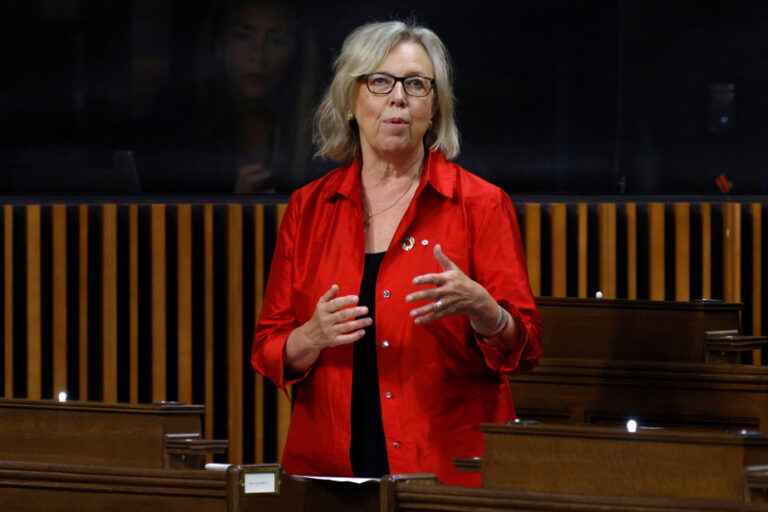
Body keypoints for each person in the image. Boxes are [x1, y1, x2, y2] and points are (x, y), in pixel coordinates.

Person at [251, 20, 542, 487]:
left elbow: (525, 346)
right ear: (351, 100)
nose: (399, 98)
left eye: (416, 85)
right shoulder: (308, 209)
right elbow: (268, 349)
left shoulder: (480, 205)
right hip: (329, 471)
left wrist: (487, 312)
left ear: (435, 107)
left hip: (445, 471)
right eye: (380, 81)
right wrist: (311, 336)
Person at [140, 0, 320, 194]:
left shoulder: (320, 131)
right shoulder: (178, 127)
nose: (258, 55)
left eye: (276, 40)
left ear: (296, 51)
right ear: (220, 44)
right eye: (243, 36)